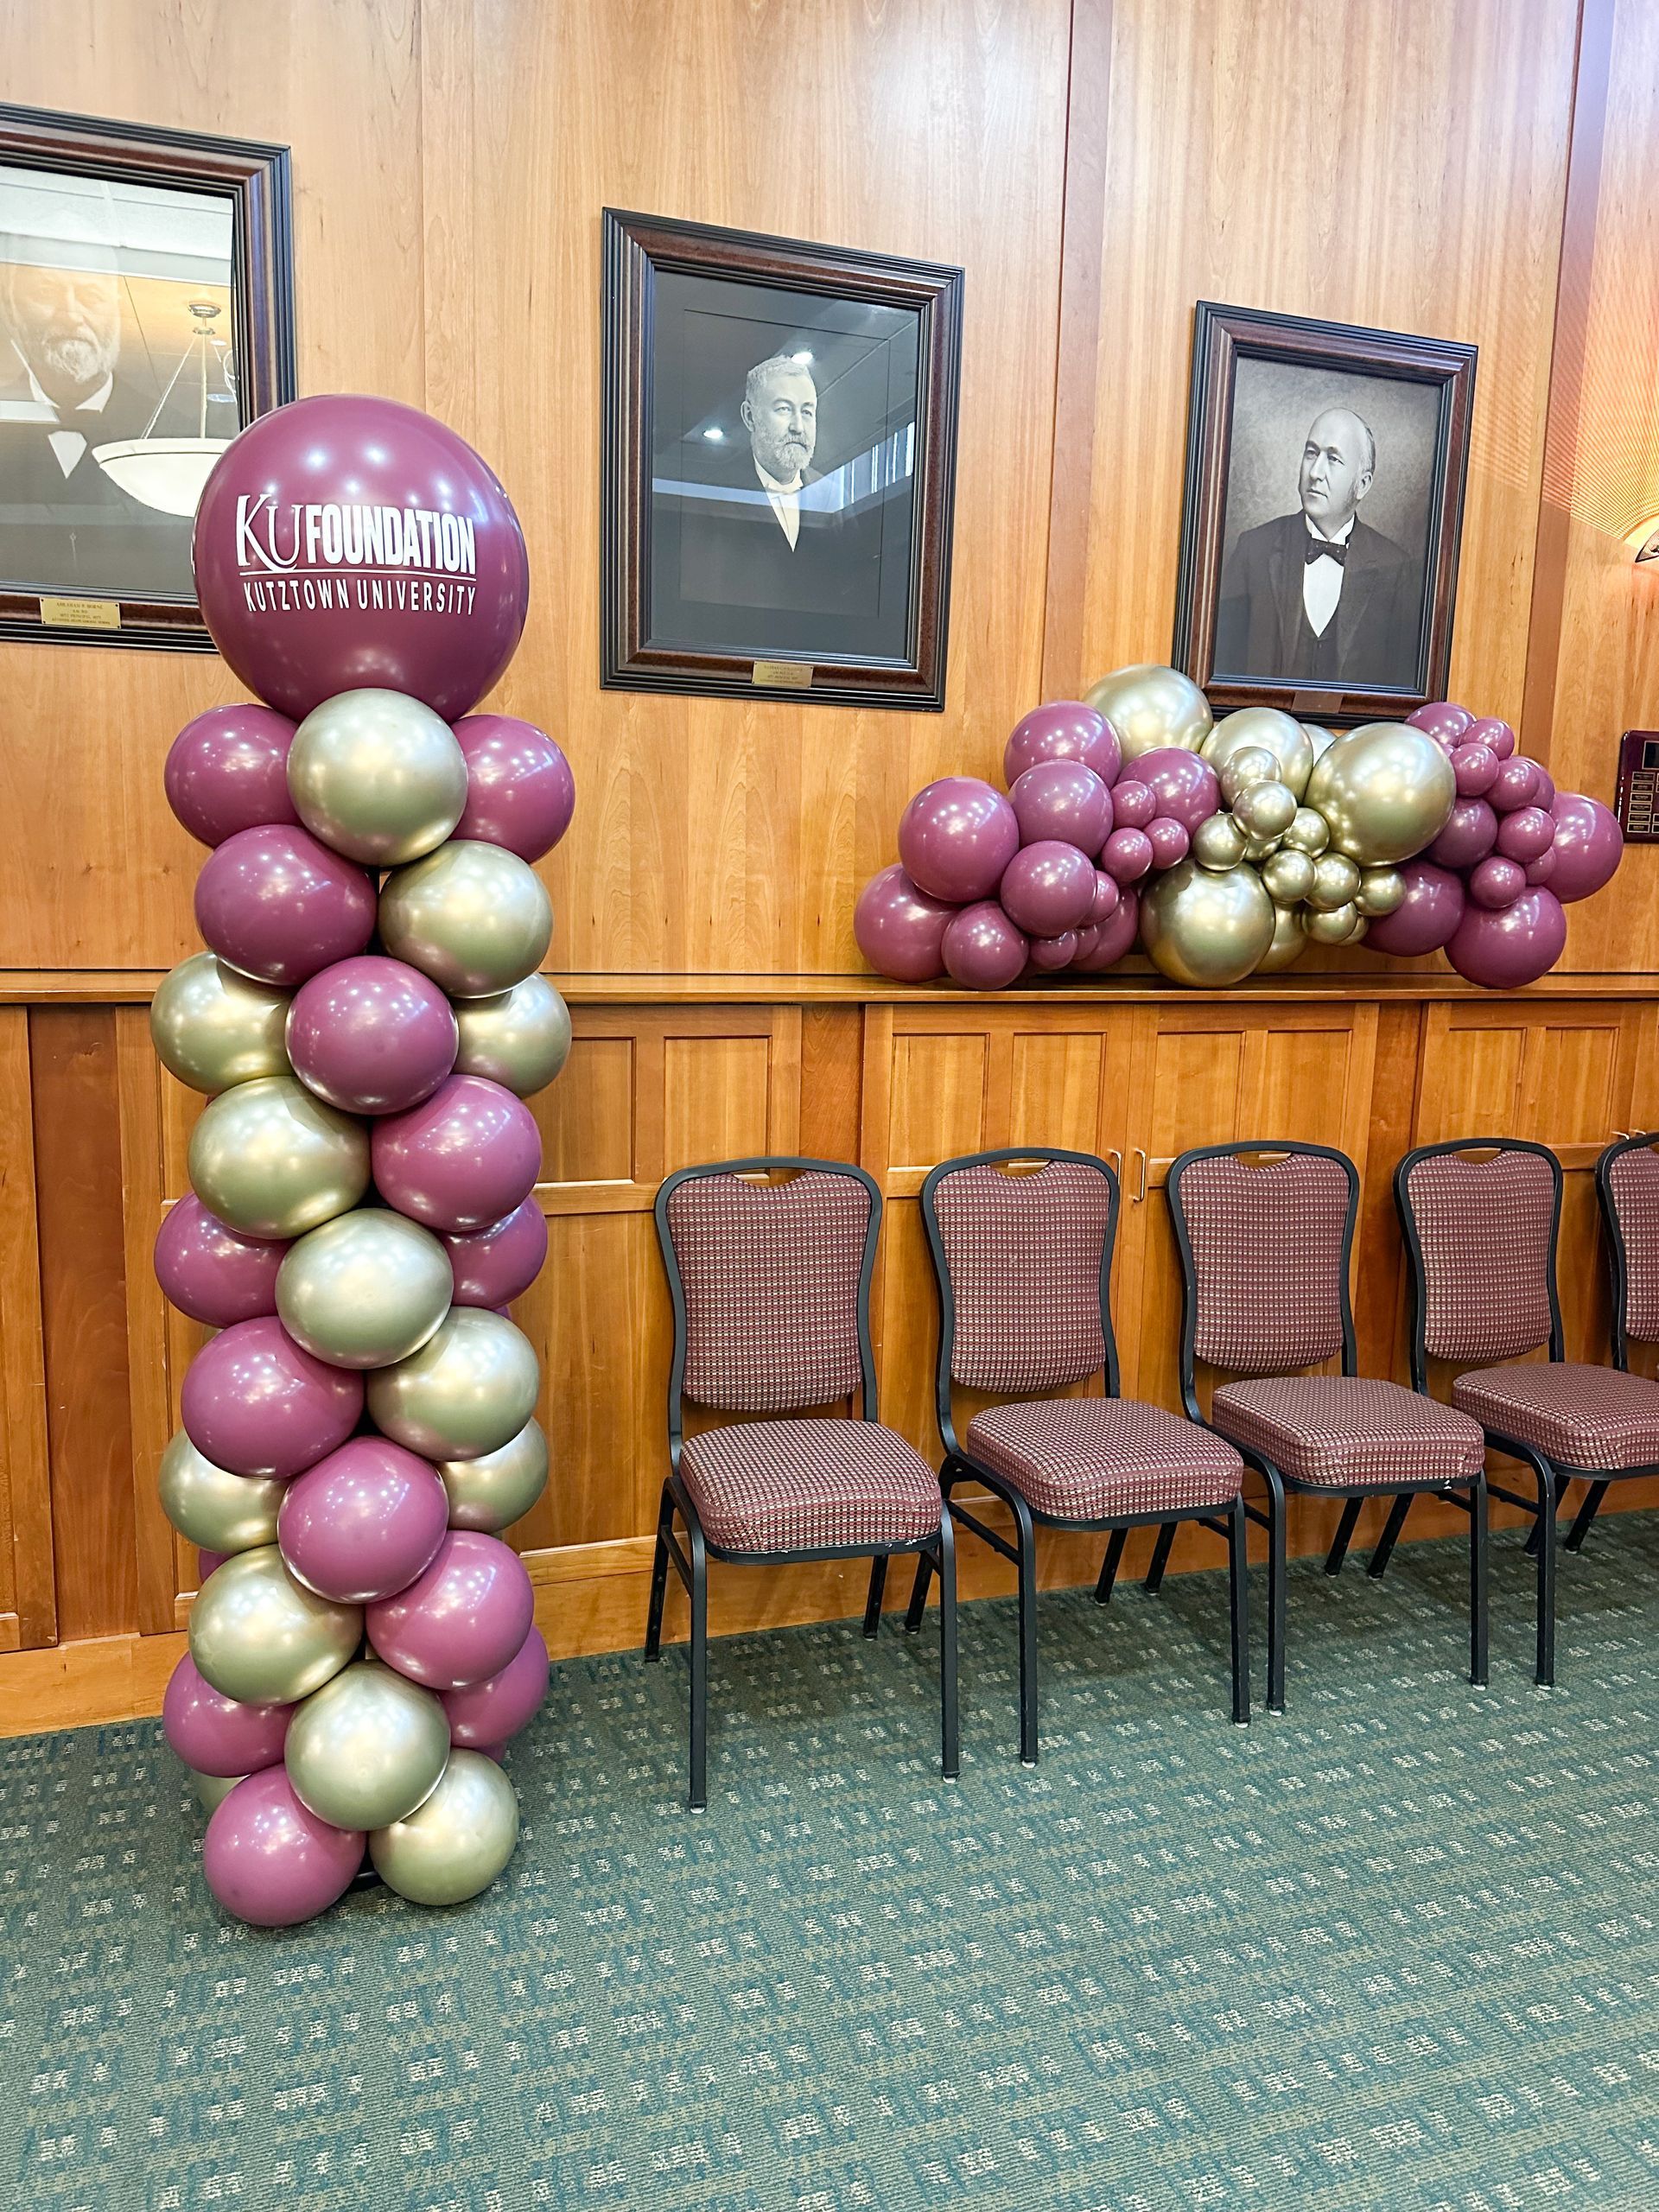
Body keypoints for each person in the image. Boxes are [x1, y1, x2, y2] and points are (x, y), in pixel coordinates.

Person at [0, 252, 194, 599]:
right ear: (13, 311)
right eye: (46, 293)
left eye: (91, 297)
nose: (72, 315)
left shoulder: (178, 435)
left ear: (119, 314)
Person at [1214, 405, 1421, 689]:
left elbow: (1402, 685)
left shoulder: (1396, 567)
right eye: (1311, 453)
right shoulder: (1254, 549)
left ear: (1362, 484)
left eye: (1333, 459)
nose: (1315, 472)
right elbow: (1222, 666)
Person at [678, 352, 875, 623]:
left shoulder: (832, 498)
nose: (798, 427)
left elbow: (859, 595)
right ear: (750, 417)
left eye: (807, 412)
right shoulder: (709, 498)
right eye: (783, 409)